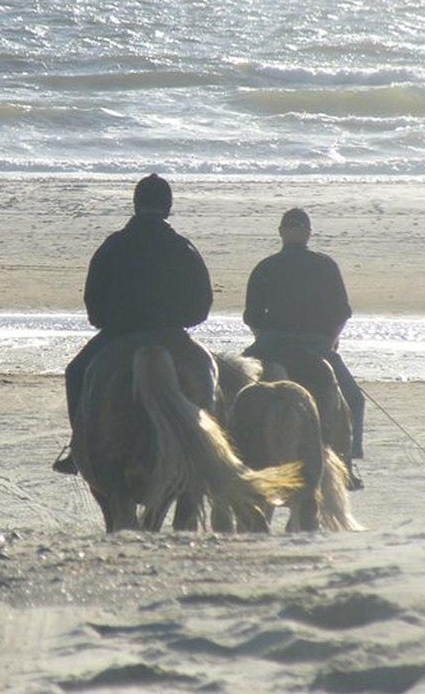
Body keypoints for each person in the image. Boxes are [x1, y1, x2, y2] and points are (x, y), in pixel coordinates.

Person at [53, 173, 213, 474]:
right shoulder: (183, 247)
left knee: (75, 372)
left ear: (136, 205)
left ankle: (80, 448)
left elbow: (93, 299)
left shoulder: (114, 244)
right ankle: (209, 449)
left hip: (119, 334)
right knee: (207, 372)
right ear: (167, 208)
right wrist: (180, 325)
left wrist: (107, 323)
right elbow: (201, 304)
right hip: (171, 335)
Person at [242, 207, 365, 461]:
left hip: (272, 343)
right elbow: (341, 313)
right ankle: (348, 458)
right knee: (354, 398)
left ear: (281, 233)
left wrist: (261, 340)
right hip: (315, 344)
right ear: (308, 233)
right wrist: (331, 342)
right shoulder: (325, 265)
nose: (295, 231)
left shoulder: (265, 267)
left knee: (234, 383)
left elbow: (252, 317)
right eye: (296, 227)